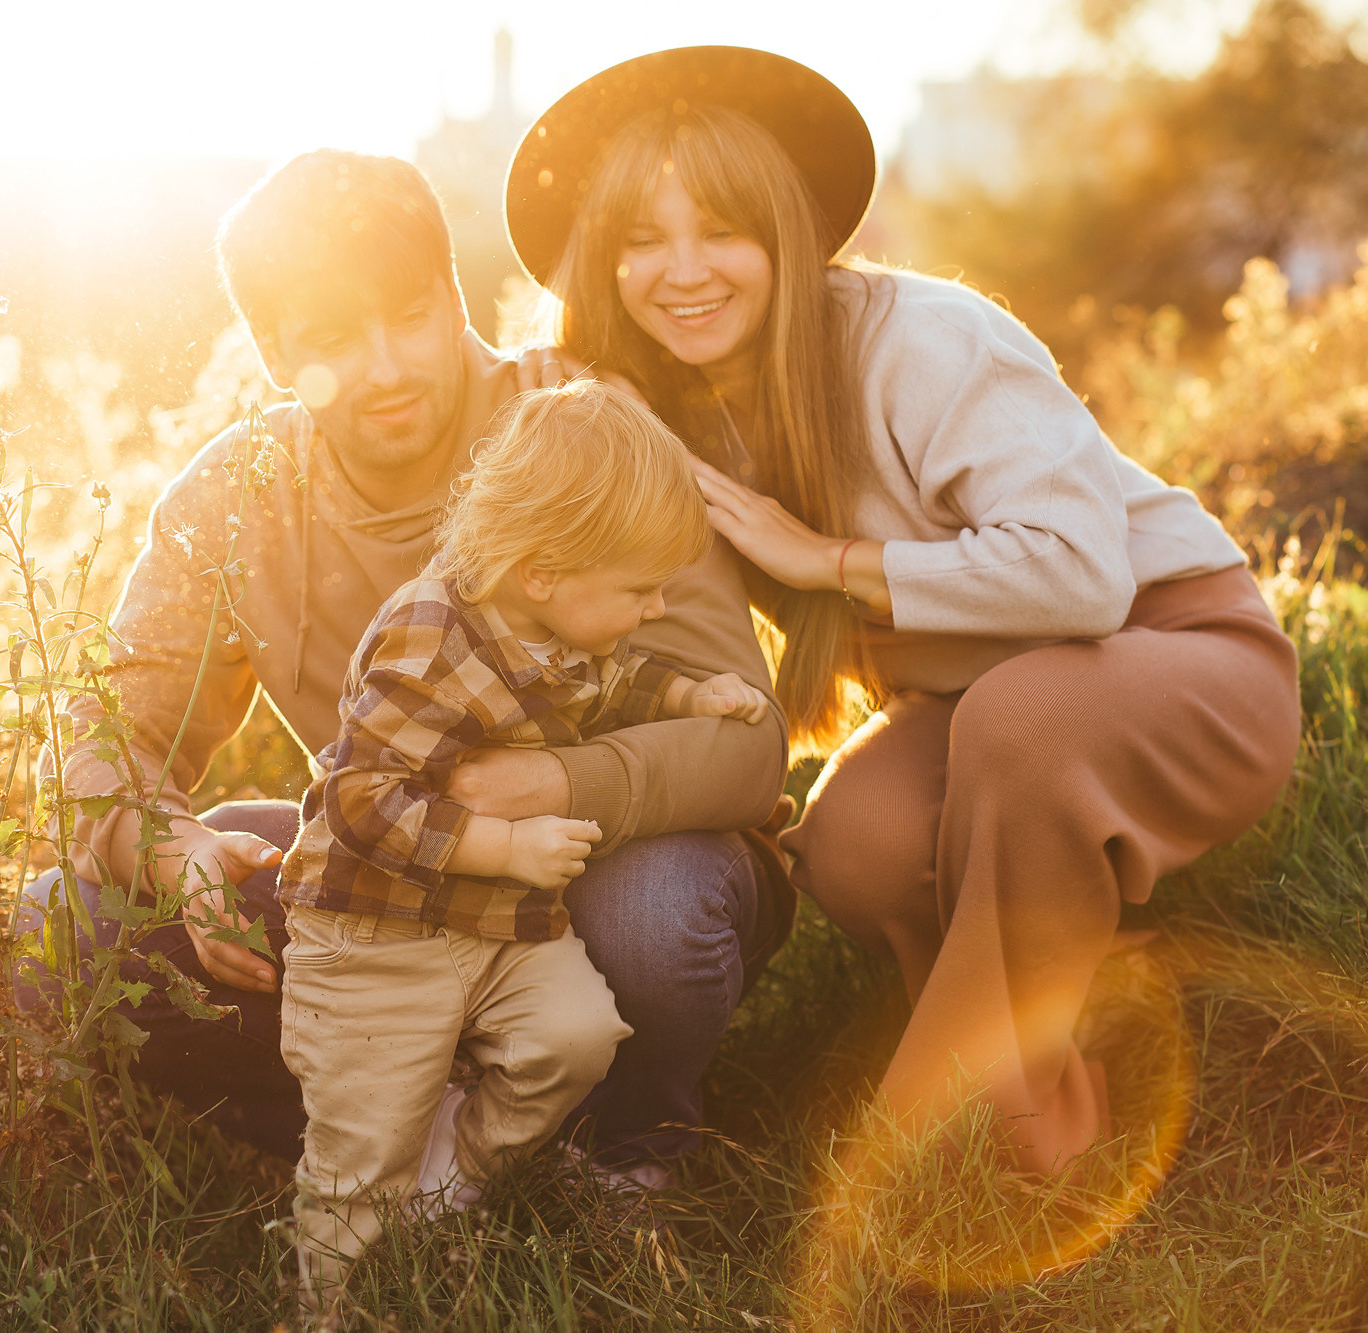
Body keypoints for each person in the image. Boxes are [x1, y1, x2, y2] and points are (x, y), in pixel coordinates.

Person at [505, 46, 1303, 1174]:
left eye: (719, 229)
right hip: (982, 700)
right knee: (855, 840)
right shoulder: (661, 401)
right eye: (639, 240)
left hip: (1176, 654)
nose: (681, 271)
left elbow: (1083, 577)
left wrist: (828, 559)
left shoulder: (919, 339)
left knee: (1022, 721)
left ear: (782, 231)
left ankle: (979, 1129)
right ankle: (1077, 977)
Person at [25, 150, 794, 1180]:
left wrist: (551, 784)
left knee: (648, 911)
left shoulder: (585, 423)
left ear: (453, 293)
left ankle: (633, 1144)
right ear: (272, 352)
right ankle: (428, 1131)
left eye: (410, 316)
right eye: (335, 341)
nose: (384, 368)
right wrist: (176, 855)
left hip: (609, 870)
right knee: (61, 924)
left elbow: (747, 751)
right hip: (398, 888)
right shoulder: (238, 496)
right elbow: (104, 738)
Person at [280, 381, 774, 1304]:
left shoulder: (548, 616)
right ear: (544, 570)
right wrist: (504, 848)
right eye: (639, 587)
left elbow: (611, 676)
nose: (659, 604)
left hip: (488, 923)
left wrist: (689, 698)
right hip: (379, 933)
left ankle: (448, 1180)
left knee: (578, 1036)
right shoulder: (427, 641)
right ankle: (332, 1299)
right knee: (359, 1162)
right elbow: (359, 803)